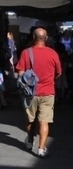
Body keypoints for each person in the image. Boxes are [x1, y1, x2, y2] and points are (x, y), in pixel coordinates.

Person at [16, 28, 61, 158]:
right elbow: (58, 73)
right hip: (48, 93)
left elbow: (20, 73)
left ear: (33, 38)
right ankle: (41, 149)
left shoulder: (26, 53)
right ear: (46, 38)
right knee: (44, 121)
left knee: (30, 120)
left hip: (30, 93)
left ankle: (30, 141)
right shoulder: (53, 53)